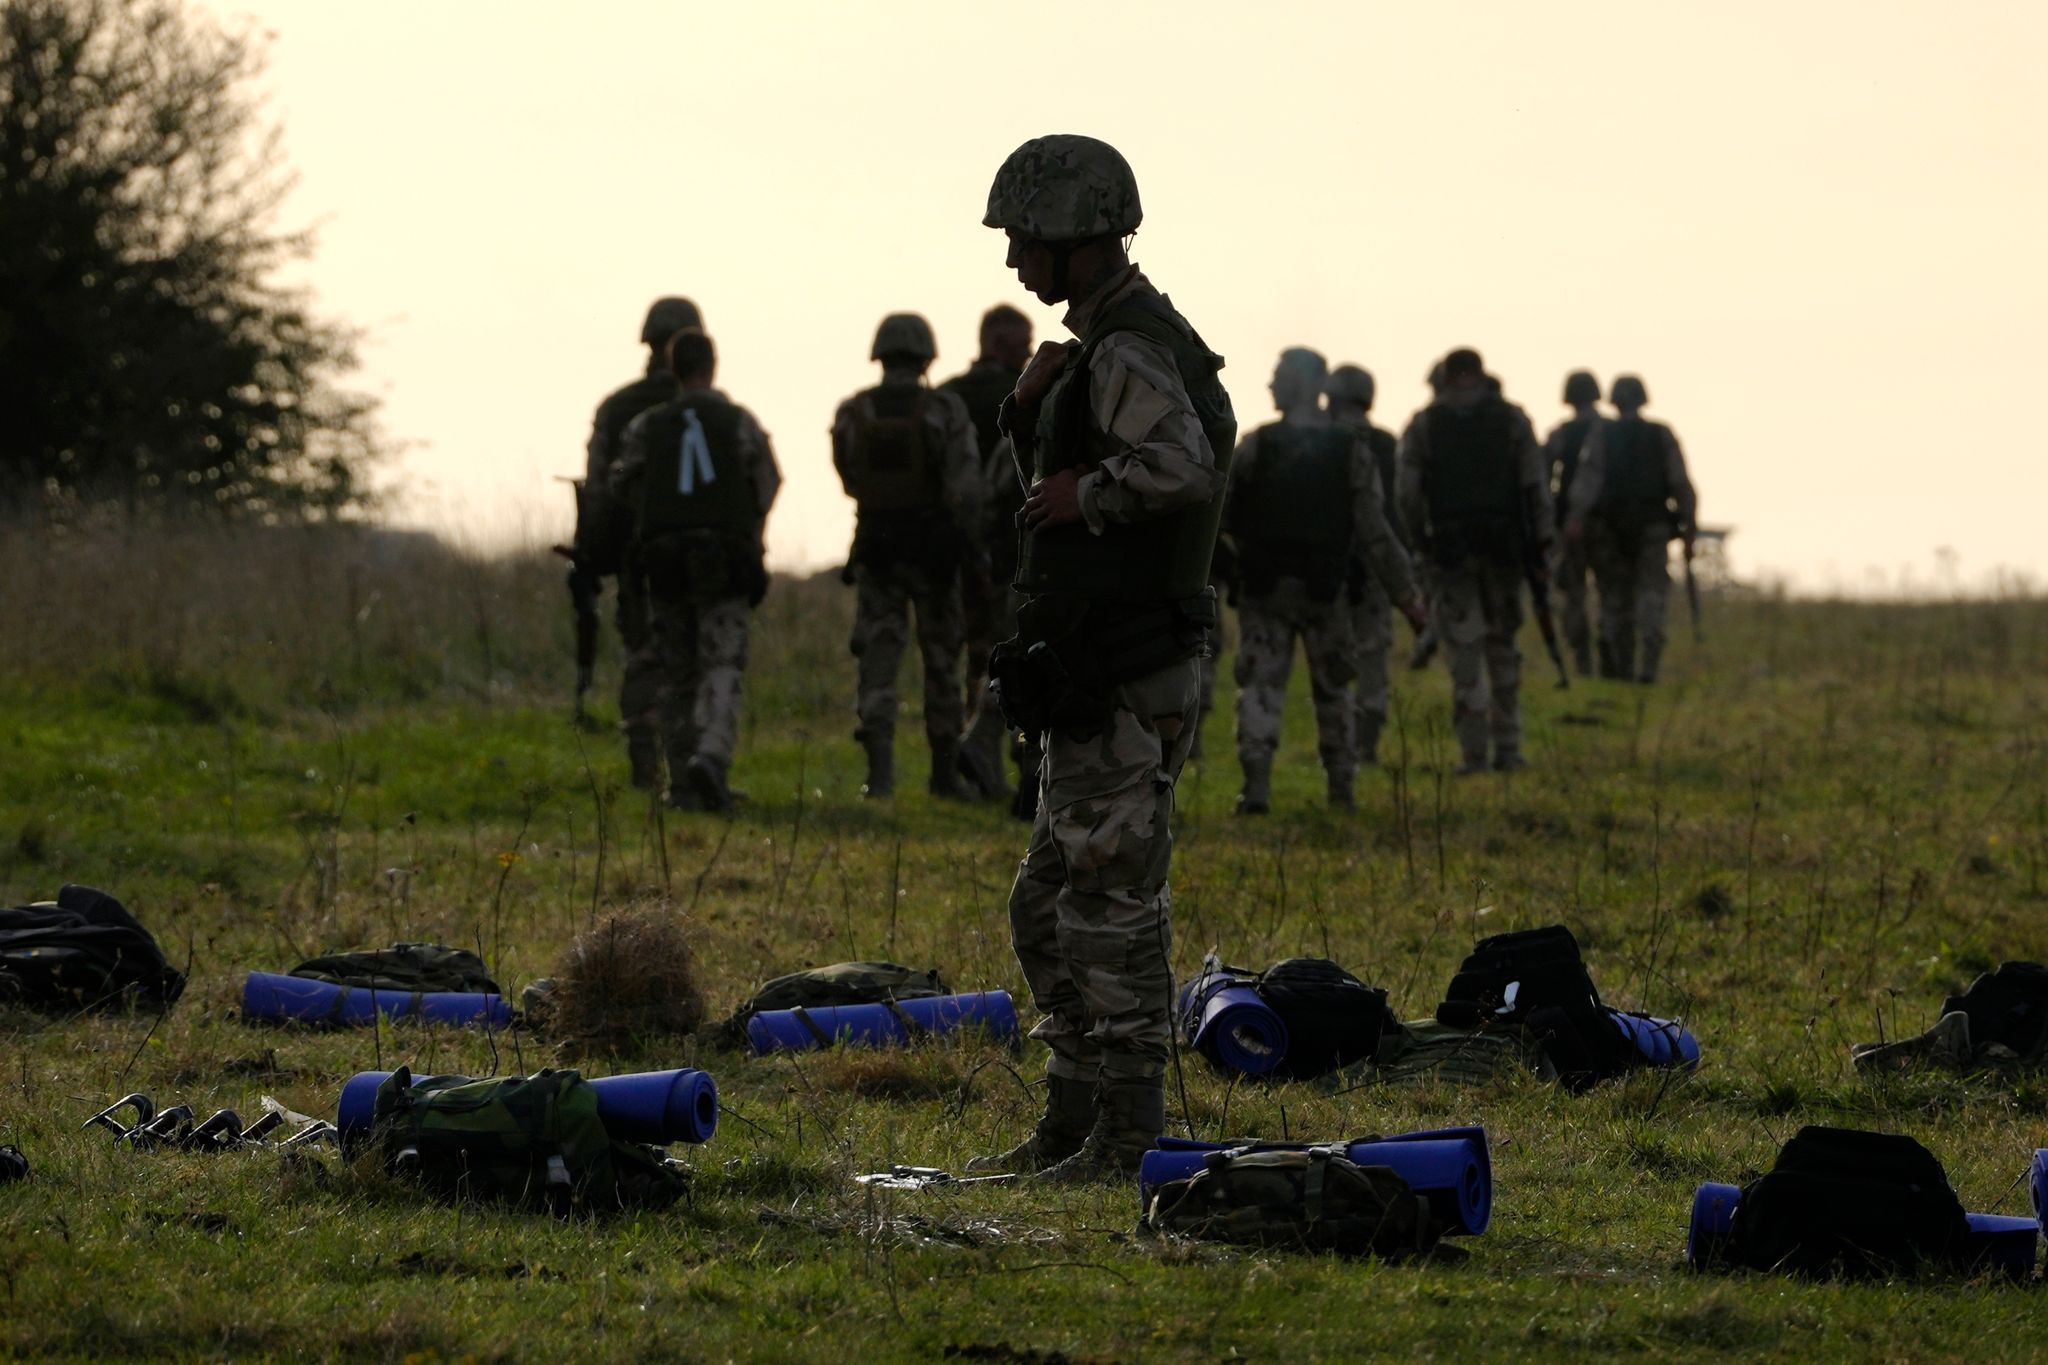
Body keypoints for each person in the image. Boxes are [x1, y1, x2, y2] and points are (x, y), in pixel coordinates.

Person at [966, 135, 1233, 1182]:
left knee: (1106, 905)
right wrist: (1030, 424)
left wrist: (1095, 492)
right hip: (1095, 666)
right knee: (1046, 903)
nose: (1012, 263)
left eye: (1025, 240)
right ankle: (1071, 1118)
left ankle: (1127, 1133)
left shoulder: (1126, 347)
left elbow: (1180, 467)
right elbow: (1063, 500)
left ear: (1077, 239)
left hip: (1125, 669)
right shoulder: (1101, 346)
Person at [1226, 349, 1422, 811]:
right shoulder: (1350, 449)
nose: (1270, 386)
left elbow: (1220, 514)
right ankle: (1341, 790)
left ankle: (1256, 790)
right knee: (1334, 689)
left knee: (1260, 688)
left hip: (1266, 589)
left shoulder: (1257, 444)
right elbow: (1376, 532)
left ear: (1299, 383)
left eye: (1277, 377)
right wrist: (1408, 598)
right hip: (1325, 591)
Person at [607, 330, 780, 812]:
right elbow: (766, 480)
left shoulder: (647, 425)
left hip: (665, 562)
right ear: (713, 365)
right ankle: (711, 758)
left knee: (678, 672)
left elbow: (622, 482)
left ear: (671, 368)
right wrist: (748, 530)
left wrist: (657, 517)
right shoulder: (739, 421)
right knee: (721, 663)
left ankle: (681, 781)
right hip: (723, 559)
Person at [831, 312, 985, 798]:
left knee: (878, 661)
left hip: (878, 549)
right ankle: (943, 775)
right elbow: (965, 484)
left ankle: (879, 776)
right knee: (942, 662)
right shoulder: (944, 409)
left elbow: (849, 477)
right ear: (926, 356)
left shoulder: (853, 412)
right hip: (933, 553)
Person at [1396, 347, 1553, 774]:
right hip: (1504, 552)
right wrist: (1541, 546)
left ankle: (1474, 755)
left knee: (1465, 653)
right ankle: (1509, 749)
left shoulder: (1425, 423)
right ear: (1482, 376)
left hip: (1450, 553)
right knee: (1503, 647)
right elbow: (1535, 487)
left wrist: (1421, 542)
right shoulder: (1513, 419)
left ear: (1445, 378)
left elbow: (1408, 493)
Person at [577, 296, 703, 790]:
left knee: (643, 658)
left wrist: (594, 553)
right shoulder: (704, 405)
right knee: (692, 658)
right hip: (695, 554)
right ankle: (691, 767)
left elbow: (598, 488)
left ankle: (645, 768)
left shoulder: (616, 407)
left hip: (637, 554)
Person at [942, 305, 1039, 810]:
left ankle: (979, 759)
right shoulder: (1027, 400)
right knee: (1016, 653)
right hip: (1016, 549)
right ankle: (1011, 764)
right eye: (1022, 344)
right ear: (999, 342)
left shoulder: (949, 396)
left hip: (968, 547)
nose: (1028, 353)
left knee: (984, 656)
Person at [1564, 374, 1697, 683]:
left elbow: (1587, 482)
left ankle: (1616, 665)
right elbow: (1681, 484)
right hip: (1652, 527)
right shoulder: (1660, 434)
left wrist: (1575, 519)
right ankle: (1647, 666)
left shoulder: (1601, 434)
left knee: (1613, 597)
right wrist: (1689, 527)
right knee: (1651, 594)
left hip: (1609, 529)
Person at [1325, 363, 1413, 767]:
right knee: (1374, 654)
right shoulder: (1385, 443)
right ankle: (1367, 745)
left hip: (1329, 564)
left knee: (1335, 658)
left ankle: (1340, 744)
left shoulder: (1324, 439)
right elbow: (1399, 508)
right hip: (1377, 562)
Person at [1545, 371, 1603, 676]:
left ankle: (1584, 663)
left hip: (1569, 524)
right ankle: (1614, 663)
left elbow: (1541, 475)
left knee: (1574, 594)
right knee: (1611, 595)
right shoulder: (1609, 431)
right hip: (1608, 525)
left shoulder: (1561, 434)